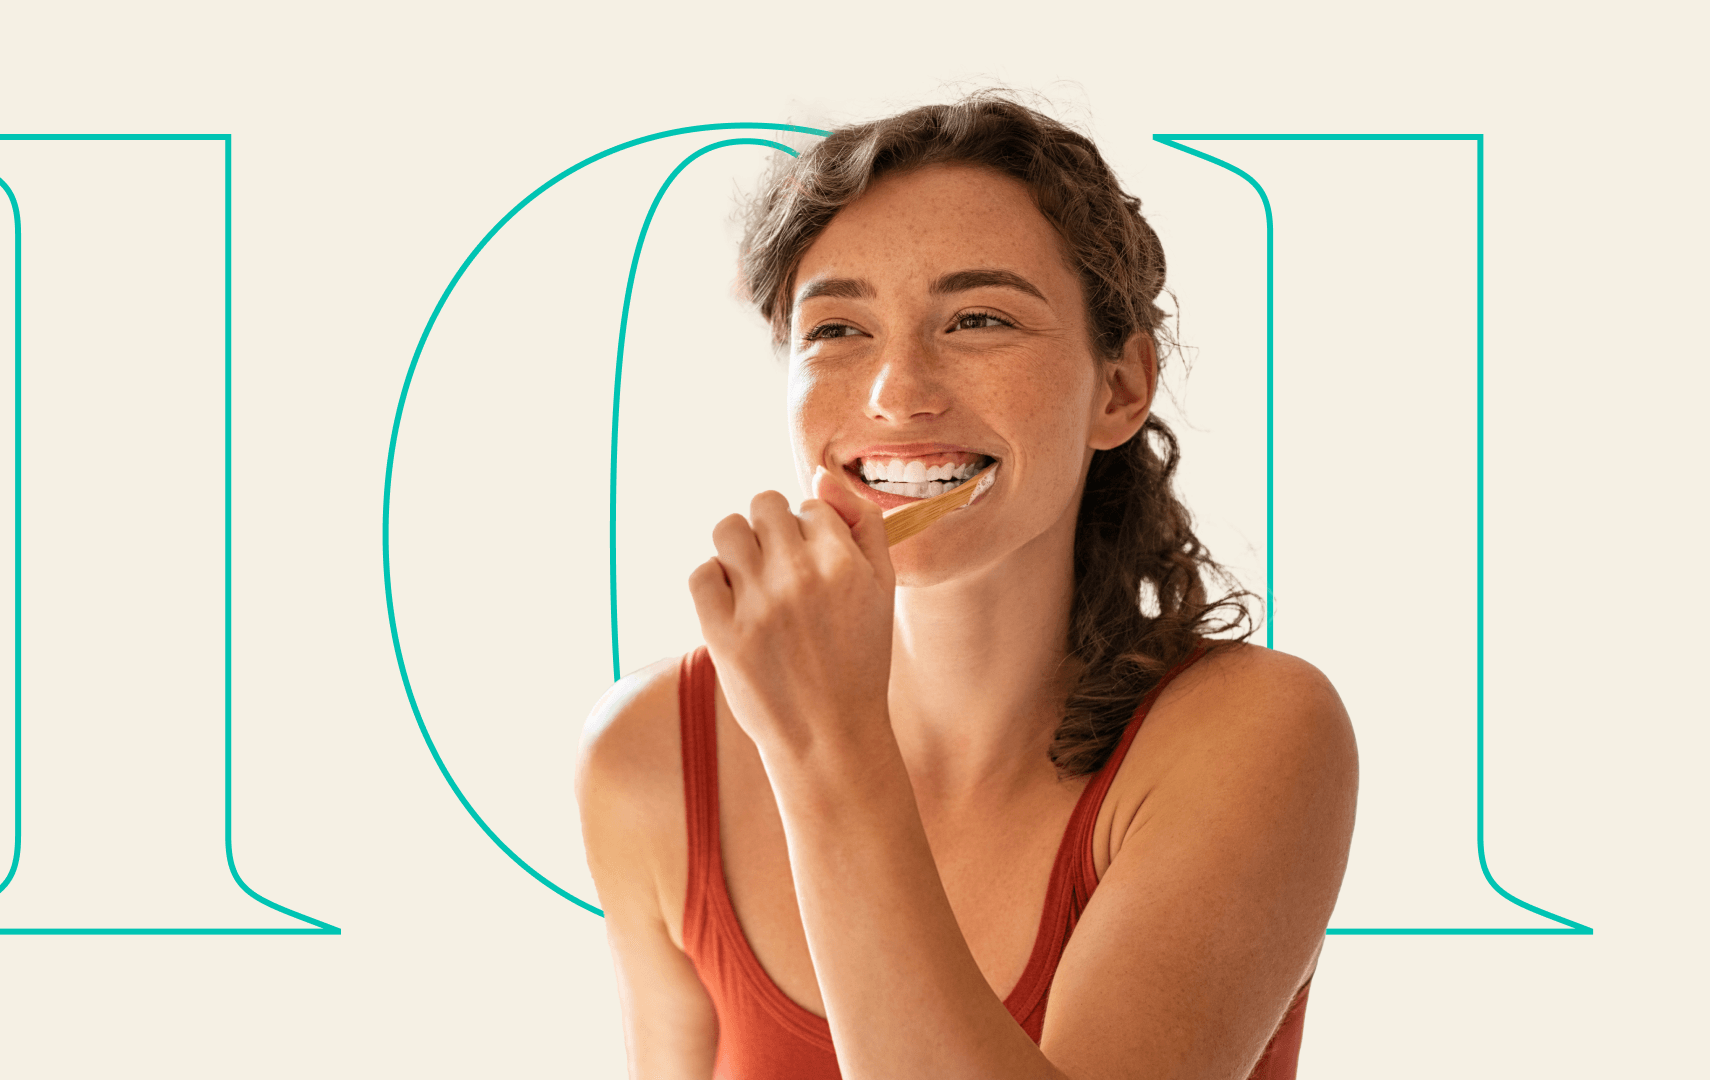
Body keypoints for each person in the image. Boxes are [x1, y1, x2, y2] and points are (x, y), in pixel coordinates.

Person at [575, 95, 1358, 1080]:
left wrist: (826, 745)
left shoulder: (1255, 735)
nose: (898, 391)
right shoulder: (651, 753)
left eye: (979, 318)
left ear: (1118, 388)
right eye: (838, 329)